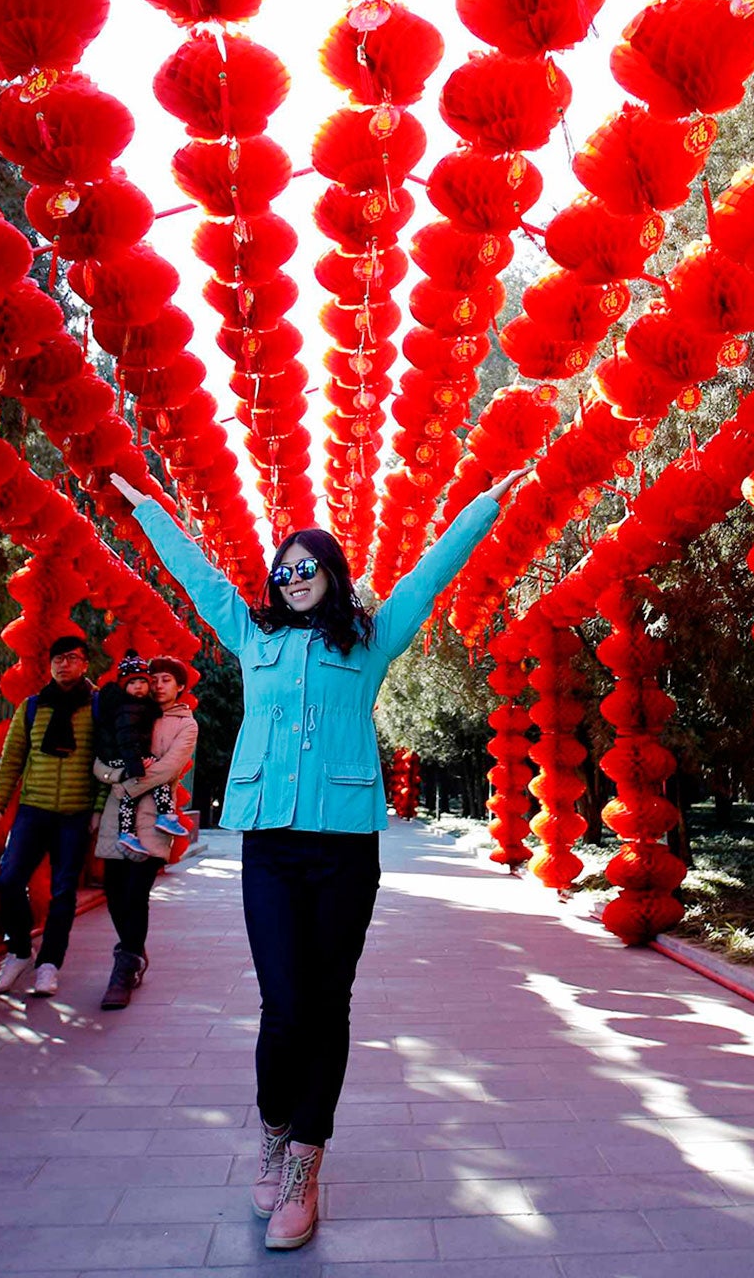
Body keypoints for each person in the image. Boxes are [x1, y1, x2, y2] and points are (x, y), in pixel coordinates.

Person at [108, 465, 529, 1251]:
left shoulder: (368, 642)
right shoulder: (251, 635)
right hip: (269, 843)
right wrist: (149, 508)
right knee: (282, 1004)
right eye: (283, 569)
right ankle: (272, 1134)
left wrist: (485, 503)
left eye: (307, 568)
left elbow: (428, 574)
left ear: (330, 575)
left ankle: (306, 1161)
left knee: (328, 1005)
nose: (293, 578)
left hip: (343, 847)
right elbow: (195, 573)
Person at [0, 634, 98, 999]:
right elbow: (12, 759)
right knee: (9, 879)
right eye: (57, 659)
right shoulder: (32, 708)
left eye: (71, 658)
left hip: (76, 813)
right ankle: (18, 951)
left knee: (64, 892)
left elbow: (108, 761)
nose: (63, 665)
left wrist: (97, 811)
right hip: (34, 809)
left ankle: (49, 964)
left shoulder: (96, 709)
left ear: (85, 665)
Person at [91, 656, 198, 1010]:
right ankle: (133, 951)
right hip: (115, 815)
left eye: (167, 680)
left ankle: (125, 965)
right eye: (155, 679)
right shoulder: (127, 708)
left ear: (180, 686)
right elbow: (100, 759)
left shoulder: (186, 725)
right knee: (113, 892)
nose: (158, 685)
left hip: (154, 818)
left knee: (137, 892)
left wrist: (125, 786)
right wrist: (115, 777)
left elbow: (169, 768)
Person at [93, 652, 163, 855]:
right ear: (124, 686)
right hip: (121, 762)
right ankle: (127, 832)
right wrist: (135, 767)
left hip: (130, 762)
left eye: (143, 681)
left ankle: (131, 831)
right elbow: (127, 739)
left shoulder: (142, 708)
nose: (139, 686)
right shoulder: (126, 708)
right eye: (133, 682)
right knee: (129, 795)